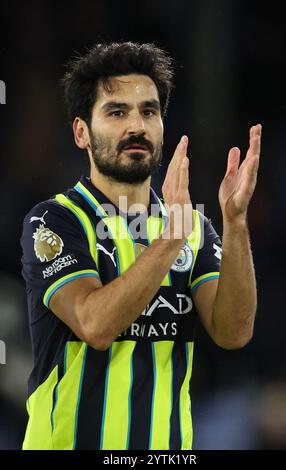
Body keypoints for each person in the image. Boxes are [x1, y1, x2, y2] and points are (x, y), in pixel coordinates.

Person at [20, 42, 261, 450]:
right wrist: (170, 238)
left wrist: (235, 224)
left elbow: (233, 331)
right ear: (82, 133)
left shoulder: (193, 227)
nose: (137, 126)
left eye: (149, 112)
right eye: (117, 112)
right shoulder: (54, 221)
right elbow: (95, 325)